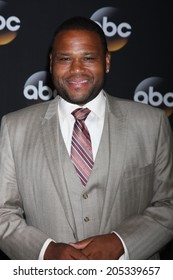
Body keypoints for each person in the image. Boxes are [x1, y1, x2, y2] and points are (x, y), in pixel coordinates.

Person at [0, 16, 173, 260]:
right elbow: (2, 212)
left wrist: (122, 242)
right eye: (65, 59)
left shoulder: (152, 123)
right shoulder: (14, 127)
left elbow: (168, 203)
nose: (77, 69)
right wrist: (45, 252)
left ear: (107, 61)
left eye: (88, 58)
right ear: (51, 64)